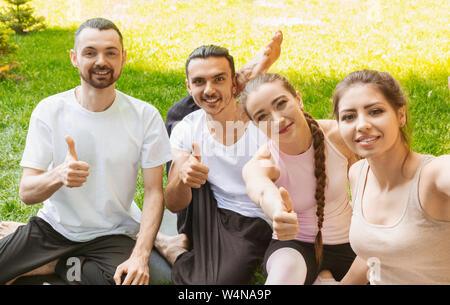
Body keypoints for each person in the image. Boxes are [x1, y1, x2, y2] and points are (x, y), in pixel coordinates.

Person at [0, 18, 172, 285]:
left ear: (123, 58)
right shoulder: (49, 110)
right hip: (54, 229)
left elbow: (154, 192)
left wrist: (140, 256)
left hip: (112, 233)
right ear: (74, 58)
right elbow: (27, 193)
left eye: (110, 52)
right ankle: (58, 262)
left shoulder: (144, 116)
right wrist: (58, 175)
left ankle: (53, 264)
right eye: (90, 52)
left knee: (129, 282)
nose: (101, 61)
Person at [155, 32, 283, 284]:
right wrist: (183, 177)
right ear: (188, 86)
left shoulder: (262, 123)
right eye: (199, 81)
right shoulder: (186, 128)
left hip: (251, 218)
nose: (209, 88)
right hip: (205, 207)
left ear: (234, 85)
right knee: (186, 116)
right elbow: (174, 203)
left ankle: (174, 251)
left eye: (219, 79)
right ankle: (180, 245)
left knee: (221, 281)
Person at [239, 73, 359, 285]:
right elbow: (261, 189)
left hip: (350, 243)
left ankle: (324, 279)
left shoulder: (339, 137)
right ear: (255, 125)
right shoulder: (262, 161)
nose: (277, 120)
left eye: (281, 103)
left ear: (299, 99)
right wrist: (277, 211)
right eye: (262, 117)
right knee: (287, 268)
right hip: (294, 247)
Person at [331, 70, 450, 284]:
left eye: (375, 111)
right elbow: (373, 253)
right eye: (349, 116)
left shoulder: (433, 176)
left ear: (401, 115)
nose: (362, 125)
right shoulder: (358, 173)